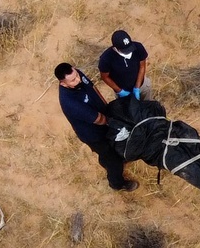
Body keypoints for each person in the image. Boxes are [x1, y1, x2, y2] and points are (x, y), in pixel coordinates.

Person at [55, 62, 138, 192]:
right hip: (93, 134)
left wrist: (108, 108)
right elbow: (97, 119)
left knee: (114, 148)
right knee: (113, 161)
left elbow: (94, 90)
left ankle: (105, 160)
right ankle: (117, 183)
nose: (78, 79)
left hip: (103, 119)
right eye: (73, 80)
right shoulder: (69, 102)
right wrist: (113, 122)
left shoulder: (77, 75)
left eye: (76, 75)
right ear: (63, 83)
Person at [98, 29, 148, 100]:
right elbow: (105, 77)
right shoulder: (106, 59)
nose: (128, 52)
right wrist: (120, 91)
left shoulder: (138, 47)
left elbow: (142, 66)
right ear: (115, 48)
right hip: (123, 91)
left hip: (142, 84)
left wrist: (137, 88)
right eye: (125, 50)